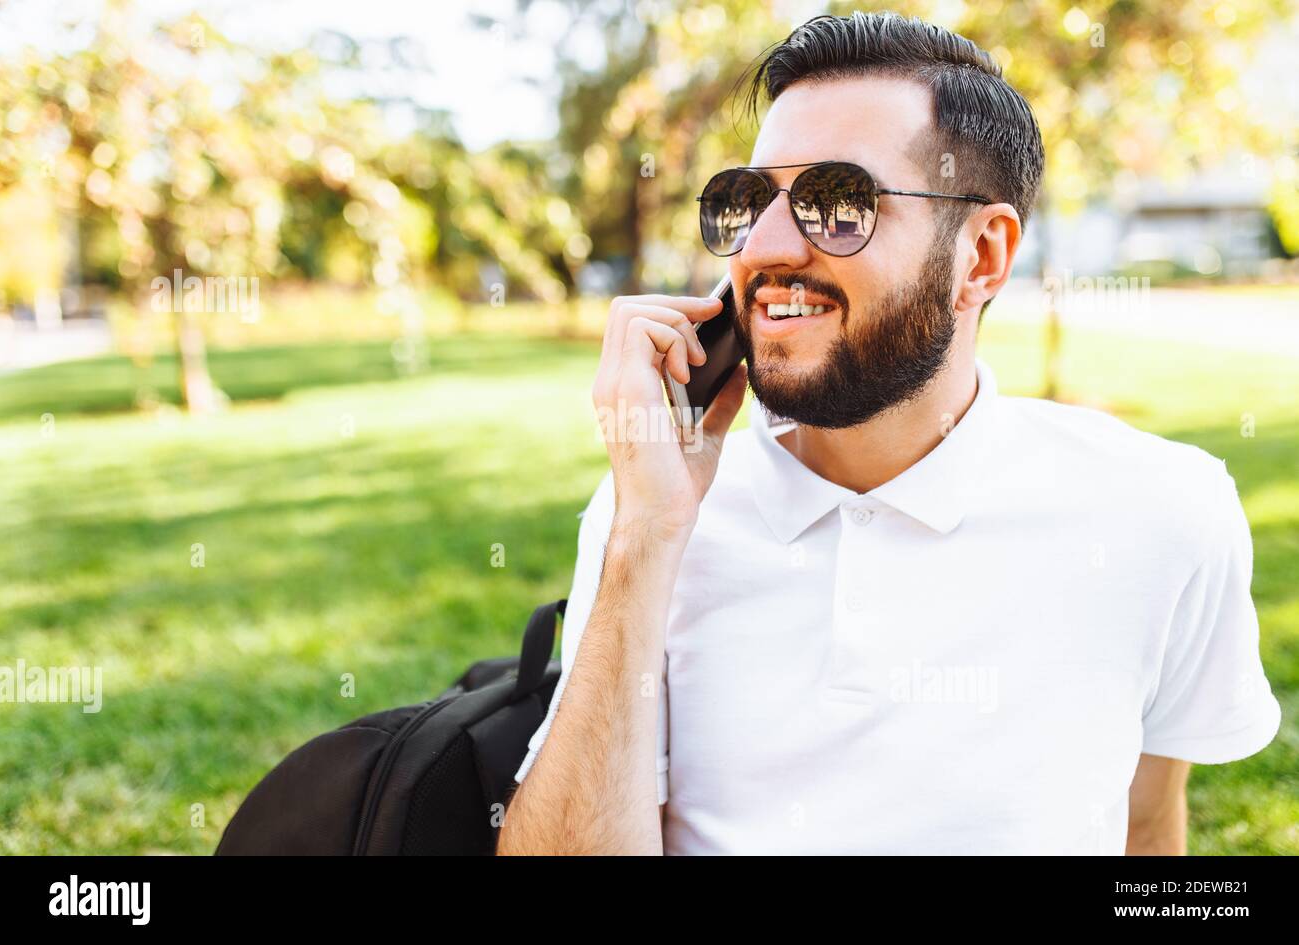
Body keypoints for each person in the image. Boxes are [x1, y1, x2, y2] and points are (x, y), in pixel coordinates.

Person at [496, 10, 1281, 855]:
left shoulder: (1165, 511)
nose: (762, 247)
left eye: (836, 204)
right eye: (747, 201)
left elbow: (1146, 826)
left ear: (981, 258)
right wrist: (646, 534)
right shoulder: (648, 512)